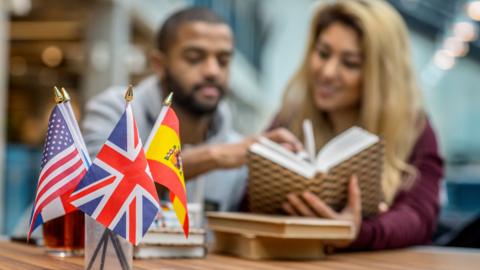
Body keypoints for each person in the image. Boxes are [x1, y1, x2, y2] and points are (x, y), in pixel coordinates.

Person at [82, 7, 301, 213]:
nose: (212, 71)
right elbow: (97, 195)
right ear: (159, 64)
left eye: (223, 61)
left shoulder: (236, 152)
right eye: (194, 58)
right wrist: (212, 157)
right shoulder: (114, 112)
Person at [271, 0, 444, 250]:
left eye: (350, 63)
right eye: (323, 53)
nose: (328, 72)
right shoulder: (290, 117)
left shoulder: (413, 128)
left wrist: (358, 232)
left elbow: (420, 217)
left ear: (380, 75)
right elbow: (246, 202)